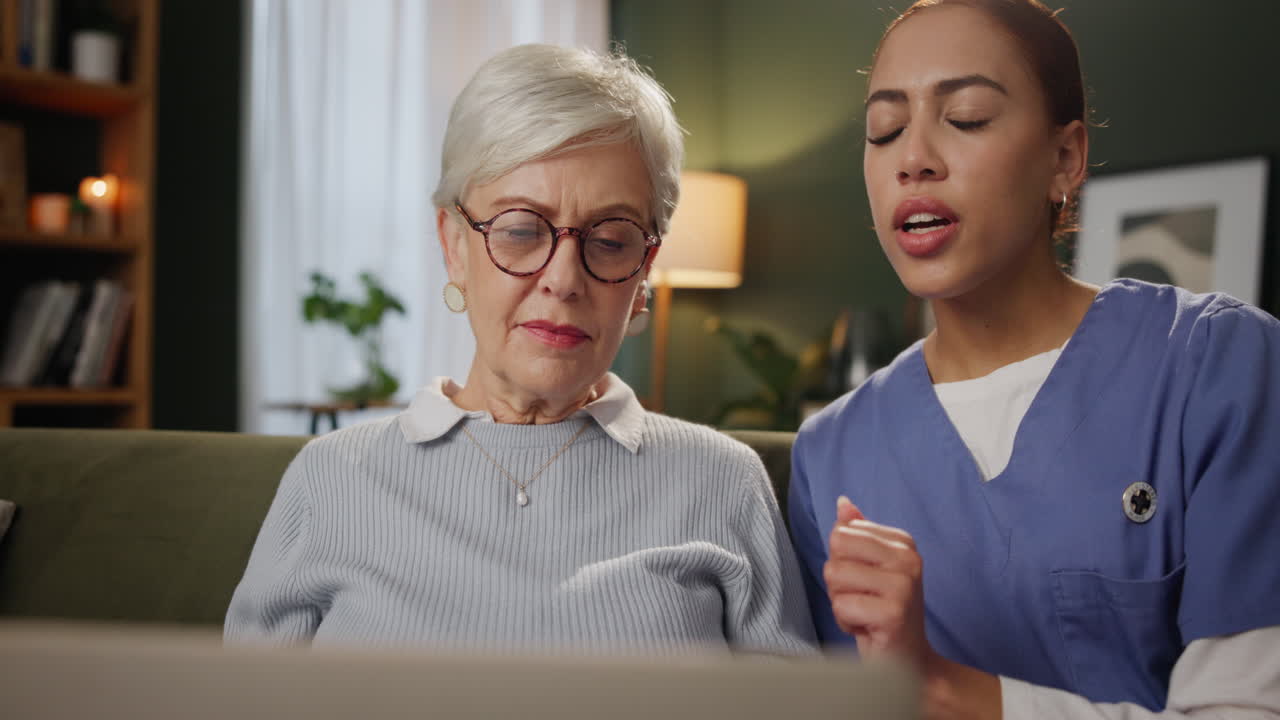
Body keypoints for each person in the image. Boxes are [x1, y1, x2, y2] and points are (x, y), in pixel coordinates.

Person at [226, 43, 816, 655]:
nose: (563, 279)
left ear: (645, 272)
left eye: (611, 240)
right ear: (455, 246)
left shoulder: (724, 482)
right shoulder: (331, 481)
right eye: (520, 230)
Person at [788, 0, 1280, 716]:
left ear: (1064, 158)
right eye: (884, 129)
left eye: (967, 118)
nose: (914, 158)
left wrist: (942, 686)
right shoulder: (831, 453)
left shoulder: (1219, 365)